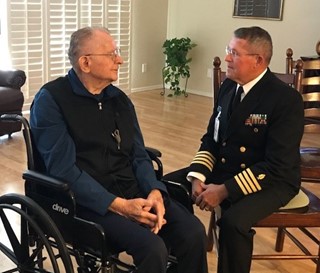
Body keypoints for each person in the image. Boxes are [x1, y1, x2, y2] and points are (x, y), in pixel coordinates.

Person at [30, 26, 208, 273]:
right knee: (153, 248)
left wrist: (154, 191)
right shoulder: (51, 100)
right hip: (85, 202)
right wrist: (120, 205)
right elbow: (64, 171)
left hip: (133, 190)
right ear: (85, 62)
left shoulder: (119, 100)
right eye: (112, 54)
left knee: (194, 233)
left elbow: (138, 154)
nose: (120, 60)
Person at [163, 26, 304, 273]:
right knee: (168, 188)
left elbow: (277, 165)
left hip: (272, 180)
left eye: (234, 53)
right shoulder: (229, 87)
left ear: (258, 60)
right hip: (226, 168)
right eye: (228, 50)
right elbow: (212, 139)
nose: (227, 57)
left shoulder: (285, 99)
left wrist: (225, 190)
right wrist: (197, 176)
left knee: (234, 222)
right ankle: (180, 263)